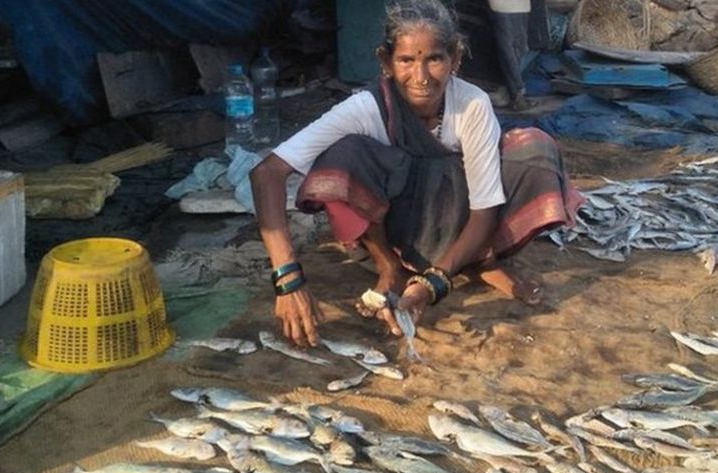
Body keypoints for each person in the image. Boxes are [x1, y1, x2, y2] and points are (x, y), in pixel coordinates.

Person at [250, 0, 583, 347]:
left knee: (533, 150)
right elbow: (267, 173)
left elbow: (485, 209)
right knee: (342, 157)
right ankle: (389, 268)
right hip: (399, 228)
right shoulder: (365, 107)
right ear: (386, 62)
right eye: (406, 60)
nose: (421, 77)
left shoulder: (472, 104)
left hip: (462, 216)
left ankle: (477, 262)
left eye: (434, 59)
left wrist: (433, 284)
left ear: (455, 59)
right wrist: (287, 278)